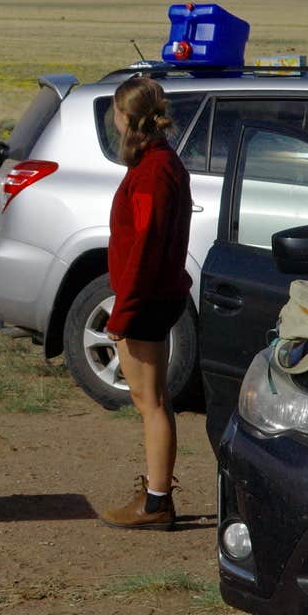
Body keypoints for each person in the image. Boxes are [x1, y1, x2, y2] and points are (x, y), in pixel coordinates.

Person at [97, 75, 192, 529]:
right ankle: (155, 494)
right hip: (155, 293)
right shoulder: (159, 163)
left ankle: (156, 504)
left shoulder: (154, 171)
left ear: (127, 117)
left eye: (116, 111)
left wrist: (124, 311)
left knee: (149, 400)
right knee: (152, 398)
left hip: (148, 298)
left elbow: (146, 247)